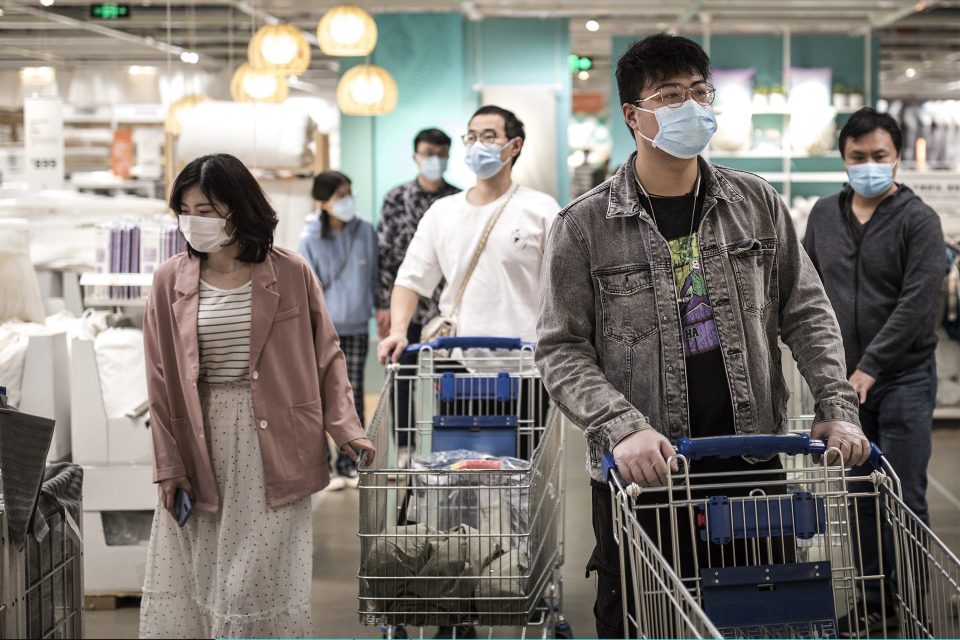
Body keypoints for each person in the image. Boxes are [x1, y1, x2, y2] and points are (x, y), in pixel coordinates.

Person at [535, 33, 870, 638]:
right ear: (634, 116)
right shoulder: (583, 226)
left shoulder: (756, 204)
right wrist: (622, 427)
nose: (691, 107)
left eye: (699, 92)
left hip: (752, 459)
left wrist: (837, 408)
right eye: (669, 95)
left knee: (758, 619)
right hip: (645, 472)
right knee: (642, 618)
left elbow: (808, 313)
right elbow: (561, 349)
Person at [139, 154, 375, 639]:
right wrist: (168, 465)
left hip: (277, 439)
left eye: (206, 210)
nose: (193, 222)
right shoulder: (169, 281)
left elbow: (326, 356)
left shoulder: (289, 272)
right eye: (185, 210)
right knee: (205, 572)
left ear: (238, 208)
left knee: (257, 577)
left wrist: (346, 429)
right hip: (200, 438)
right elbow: (160, 381)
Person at [804, 108, 944, 636]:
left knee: (904, 494)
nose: (869, 165)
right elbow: (808, 294)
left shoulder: (918, 220)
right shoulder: (823, 215)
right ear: (843, 160)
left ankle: (910, 607)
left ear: (897, 157)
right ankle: (872, 606)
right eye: (858, 157)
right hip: (845, 387)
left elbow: (916, 305)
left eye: (879, 156)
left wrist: (869, 368)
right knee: (860, 495)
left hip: (903, 379)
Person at [377, 105, 560, 364]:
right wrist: (398, 331)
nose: (478, 145)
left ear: (515, 146)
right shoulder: (442, 212)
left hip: (525, 359)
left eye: (489, 136)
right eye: (471, 137)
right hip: (457, 358)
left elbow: (566, 285)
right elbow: (410, 280)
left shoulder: (542, 210)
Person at [298, 170, 378, 485]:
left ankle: (350, 460)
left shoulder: (366, 231)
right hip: (321, 329)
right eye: (339, 195)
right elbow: (306, 287)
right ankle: (325, 463)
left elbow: (373, 275)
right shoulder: (309, 238)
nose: (347, 200)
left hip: (357, 324)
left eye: (349, 193)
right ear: (324, 200)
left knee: (353, 393)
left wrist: (379, 309)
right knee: (319, 395)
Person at [376, 128, 461, 342]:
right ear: (416, 157)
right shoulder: (397, 198)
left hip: (446, 310)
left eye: (441, 154)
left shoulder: (458, 200)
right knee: (404, 371)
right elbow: (384, 254)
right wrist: (385, 305)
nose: (435, 159)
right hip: (405, 306)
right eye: (428, 153)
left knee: (446, 374)